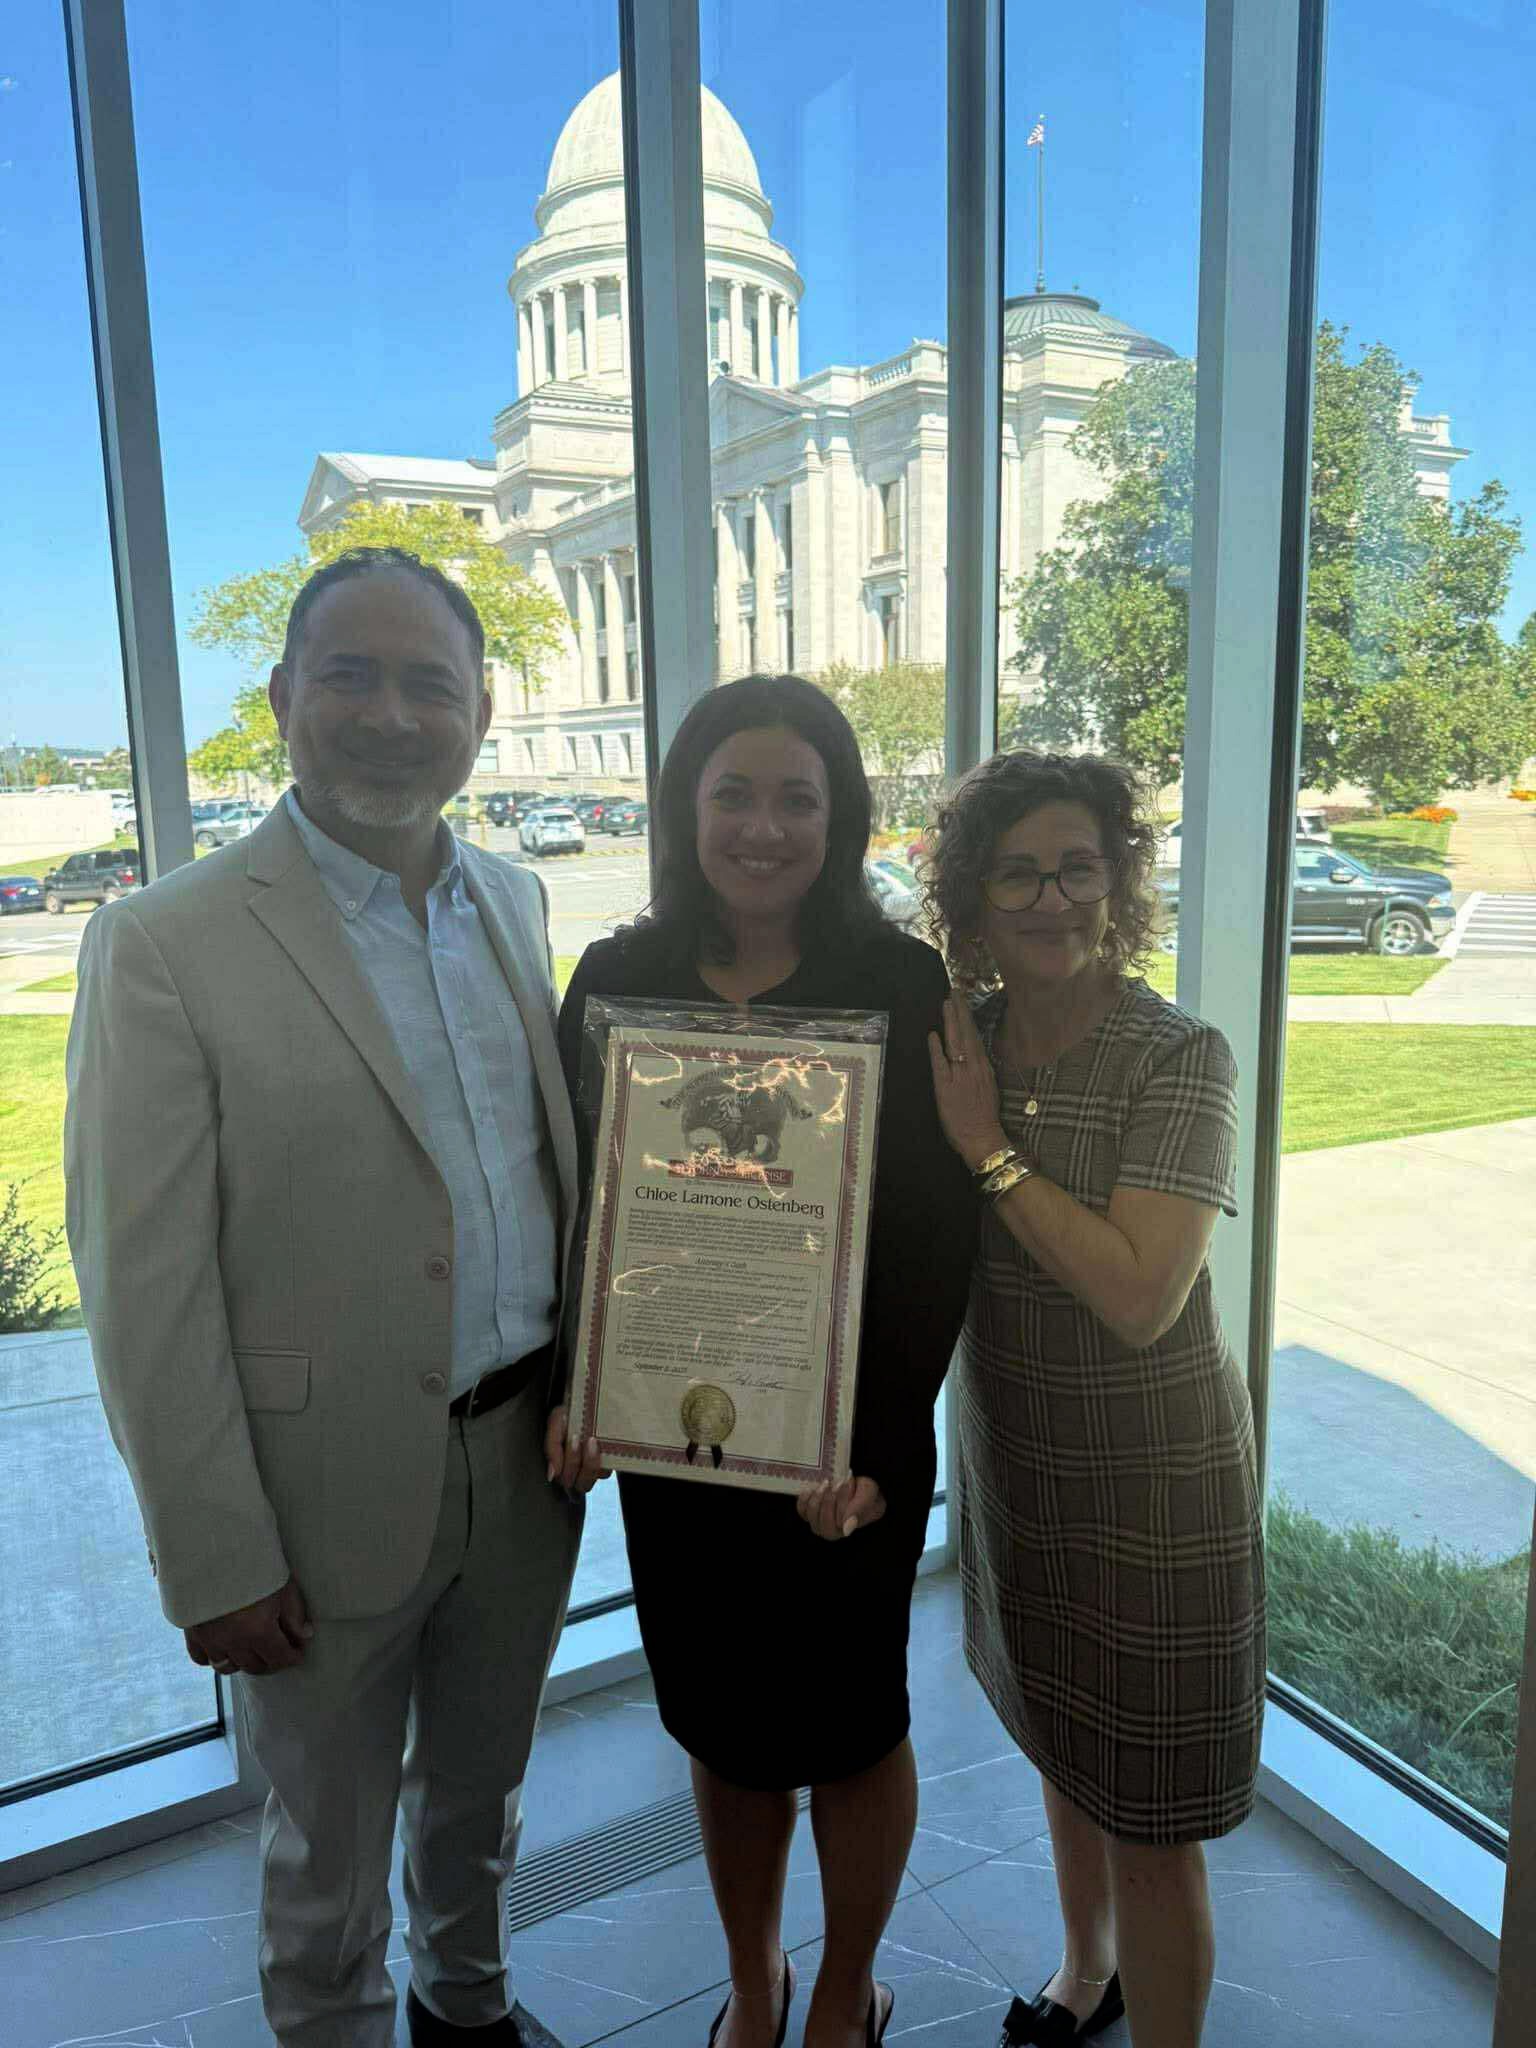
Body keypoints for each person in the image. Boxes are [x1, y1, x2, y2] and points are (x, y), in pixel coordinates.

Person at [64, 547, 584, 2048]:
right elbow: (140, 1280)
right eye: (348, 675)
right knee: (325, 1853)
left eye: (430, 683)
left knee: (481, 1792)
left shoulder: (515, 898)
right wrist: (211, 1547)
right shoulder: (163, 942)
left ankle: (467, 2007)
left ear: (481, 712)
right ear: (284, 697)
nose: (389, 714)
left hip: (526, 1462)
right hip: (311, 1494)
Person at [552, 676, 974, 2048]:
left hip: (847, 1444)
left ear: (841, 816)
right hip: (677, 1429)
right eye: (733, 791)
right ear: (684, 806)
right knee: (726, 1732)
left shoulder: (901, 985)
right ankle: (753, 1982)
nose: (764, 825)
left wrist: (869, 1443)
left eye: (800, 796)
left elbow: (931, 1231)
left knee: (855, 1729)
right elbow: (582, 1210)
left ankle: (843, 1991)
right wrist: (582, 1382)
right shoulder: (615, 981)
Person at [922, 751, 1266, 2048]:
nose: (1053, 897)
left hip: (1157, 1486)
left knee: (1155, 1819)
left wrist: (988, 1152)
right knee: (1062, 1740)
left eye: (1079, 868)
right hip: (1017, 1461)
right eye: (1020, 871)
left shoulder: (1180, 1054)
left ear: (1119, 882)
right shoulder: (968, 1034)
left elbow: (1141, 1293)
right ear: (973, 896)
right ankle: (1085, 1972)